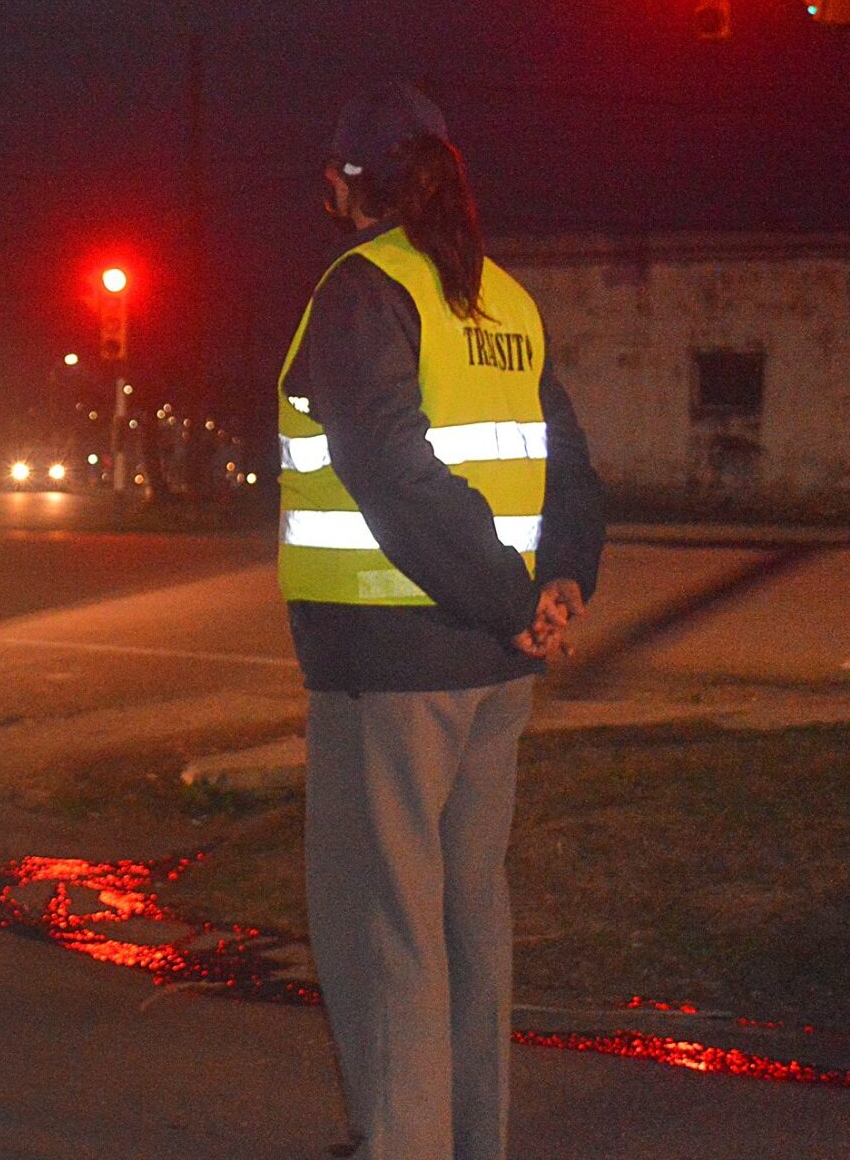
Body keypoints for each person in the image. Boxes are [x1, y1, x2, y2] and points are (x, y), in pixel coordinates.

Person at [276, 82, 604, 1160]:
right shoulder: (501, 298)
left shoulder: (362, 288)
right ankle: (467, 1141)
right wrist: (555, 586)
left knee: (385, 926)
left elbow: (386, 466)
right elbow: (566, 459)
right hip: (492, 667)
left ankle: (399, 1143)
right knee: (468, 920)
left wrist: (515, 597)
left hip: (390, 661)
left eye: (330, 169)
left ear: (352, 182)